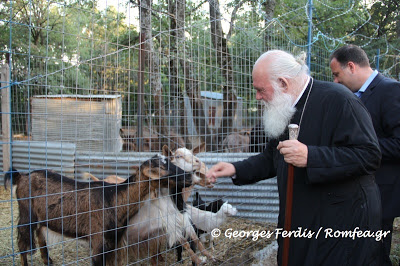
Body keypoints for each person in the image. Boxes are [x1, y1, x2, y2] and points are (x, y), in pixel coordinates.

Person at [206, 50, 383, 265]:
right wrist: (235, 168)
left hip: (341, 223)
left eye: (260, 90)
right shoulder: (285, 106)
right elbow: (273, 156)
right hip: (301, 218)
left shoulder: (339, 100)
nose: (257, 97)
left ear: (283, 83)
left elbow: (369, 155)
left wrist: (311, 156)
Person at [330, 44, 400, 266]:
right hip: (357, 194)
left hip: (381, 195)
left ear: (351, 66)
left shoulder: (390, 91)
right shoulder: (353, 96)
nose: (335, 81)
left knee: (375, 257)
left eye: (337, 74)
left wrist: (361, 148)